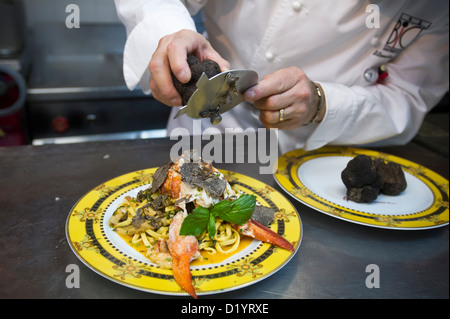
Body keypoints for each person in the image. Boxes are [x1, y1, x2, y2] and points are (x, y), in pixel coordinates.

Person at [114, 0, 448, 154]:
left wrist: (323, 104)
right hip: (203, 139)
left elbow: (408, 95)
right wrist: (169, 33)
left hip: (323, 164)